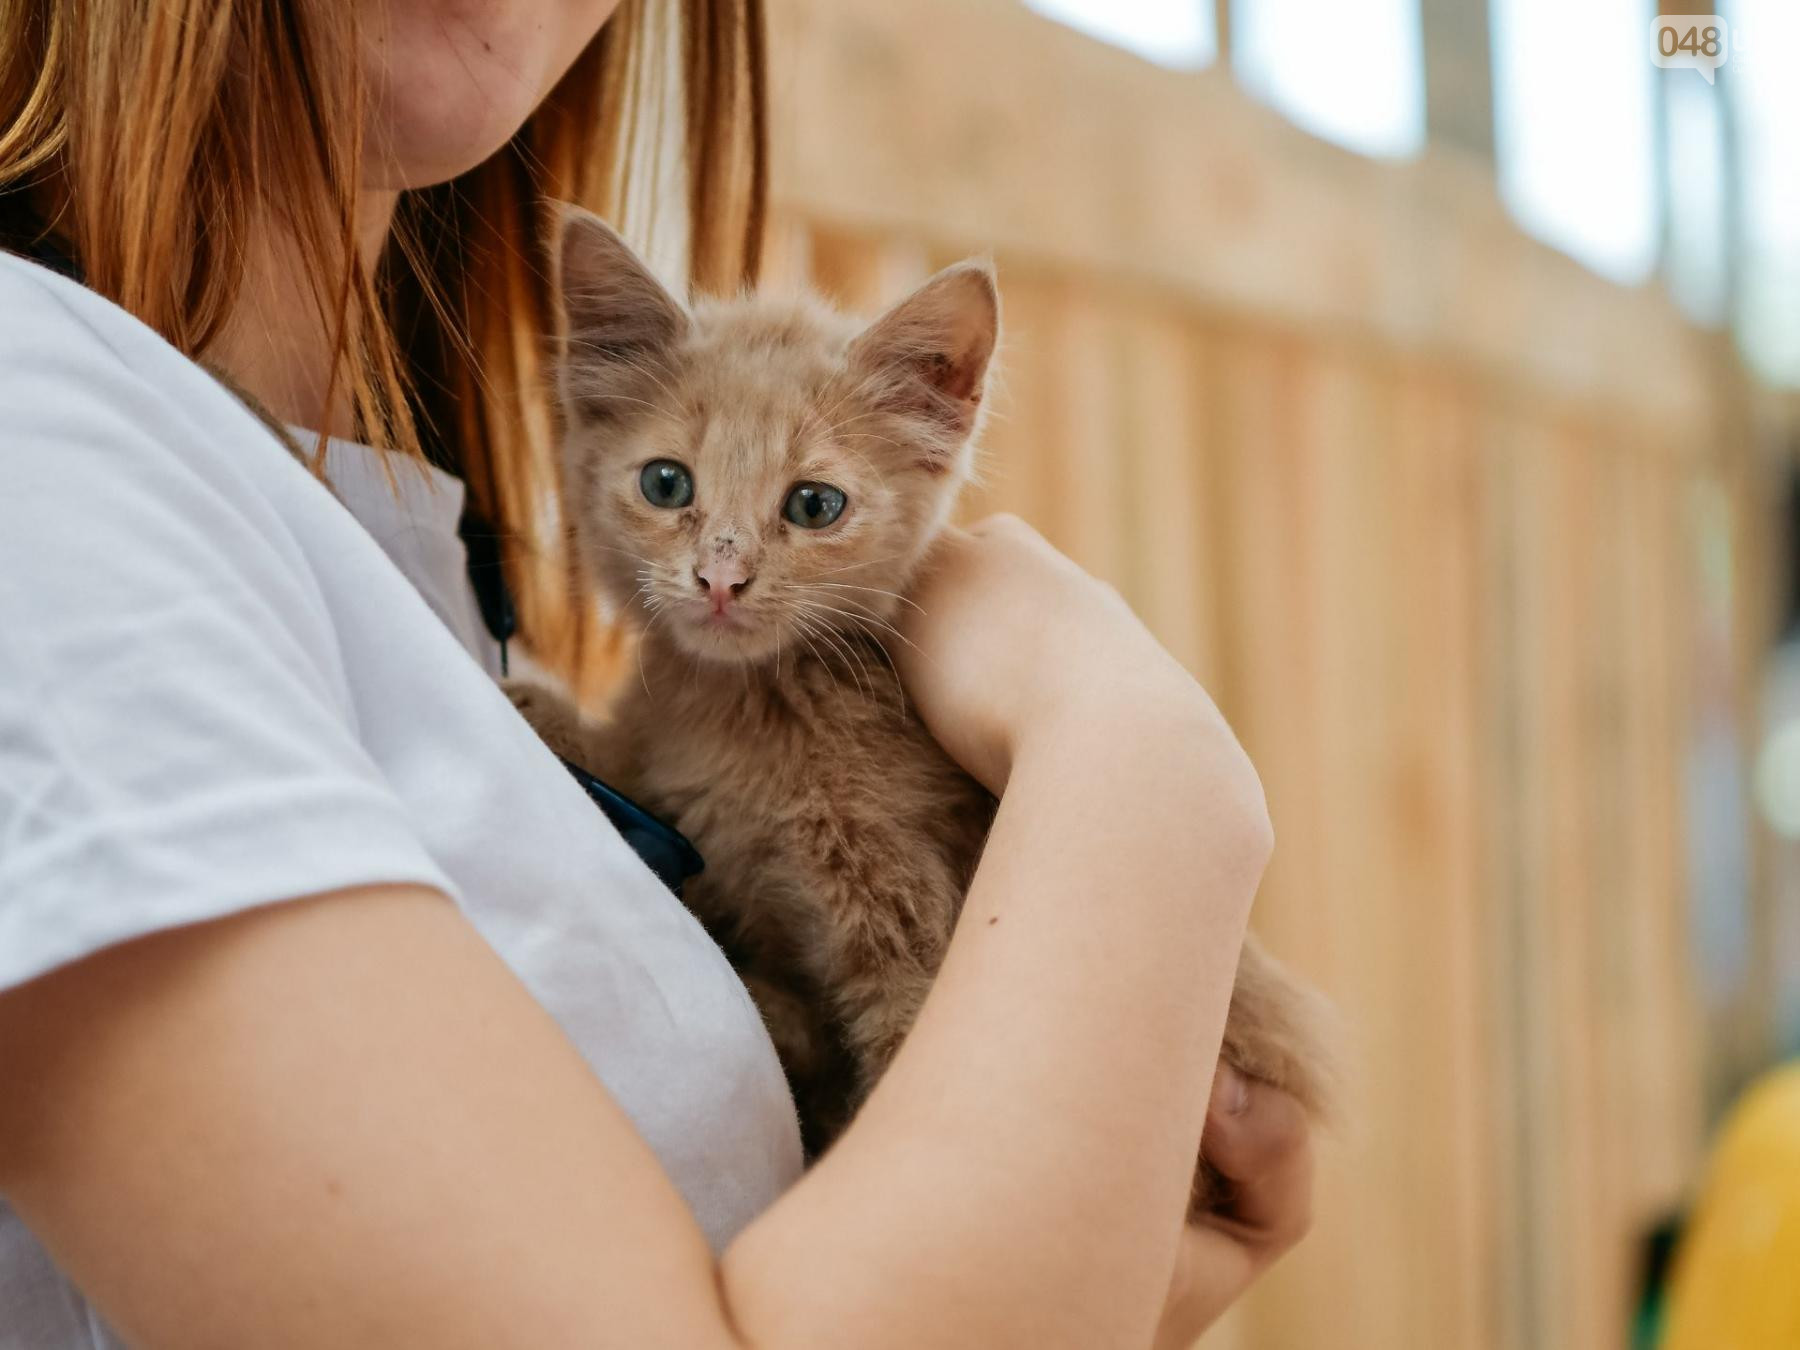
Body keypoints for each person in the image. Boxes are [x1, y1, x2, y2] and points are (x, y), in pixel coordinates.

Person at [0, 4, 1312, 1346]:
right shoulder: (35, 450)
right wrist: (1141, 761)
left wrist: (1066, 1251)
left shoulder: (423, 547)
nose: (729, 568)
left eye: (804, 508)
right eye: (674, 488)